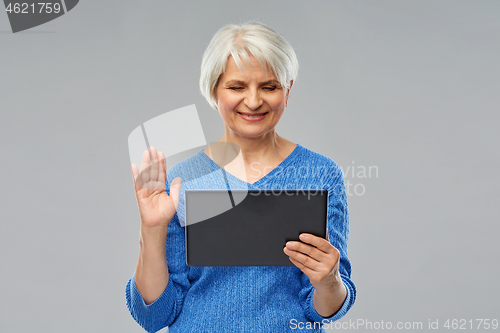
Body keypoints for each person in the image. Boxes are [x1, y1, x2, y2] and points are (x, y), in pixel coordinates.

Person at [126, 21, 356, 332]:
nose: (253, 101)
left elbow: (324, 310)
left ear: (287, 91)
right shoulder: (181, 181)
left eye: (269, 86)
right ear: (213, 91)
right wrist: (152, 230)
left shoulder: (320, 174)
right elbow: (154, 316)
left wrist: (329, 281)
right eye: (236, 87)